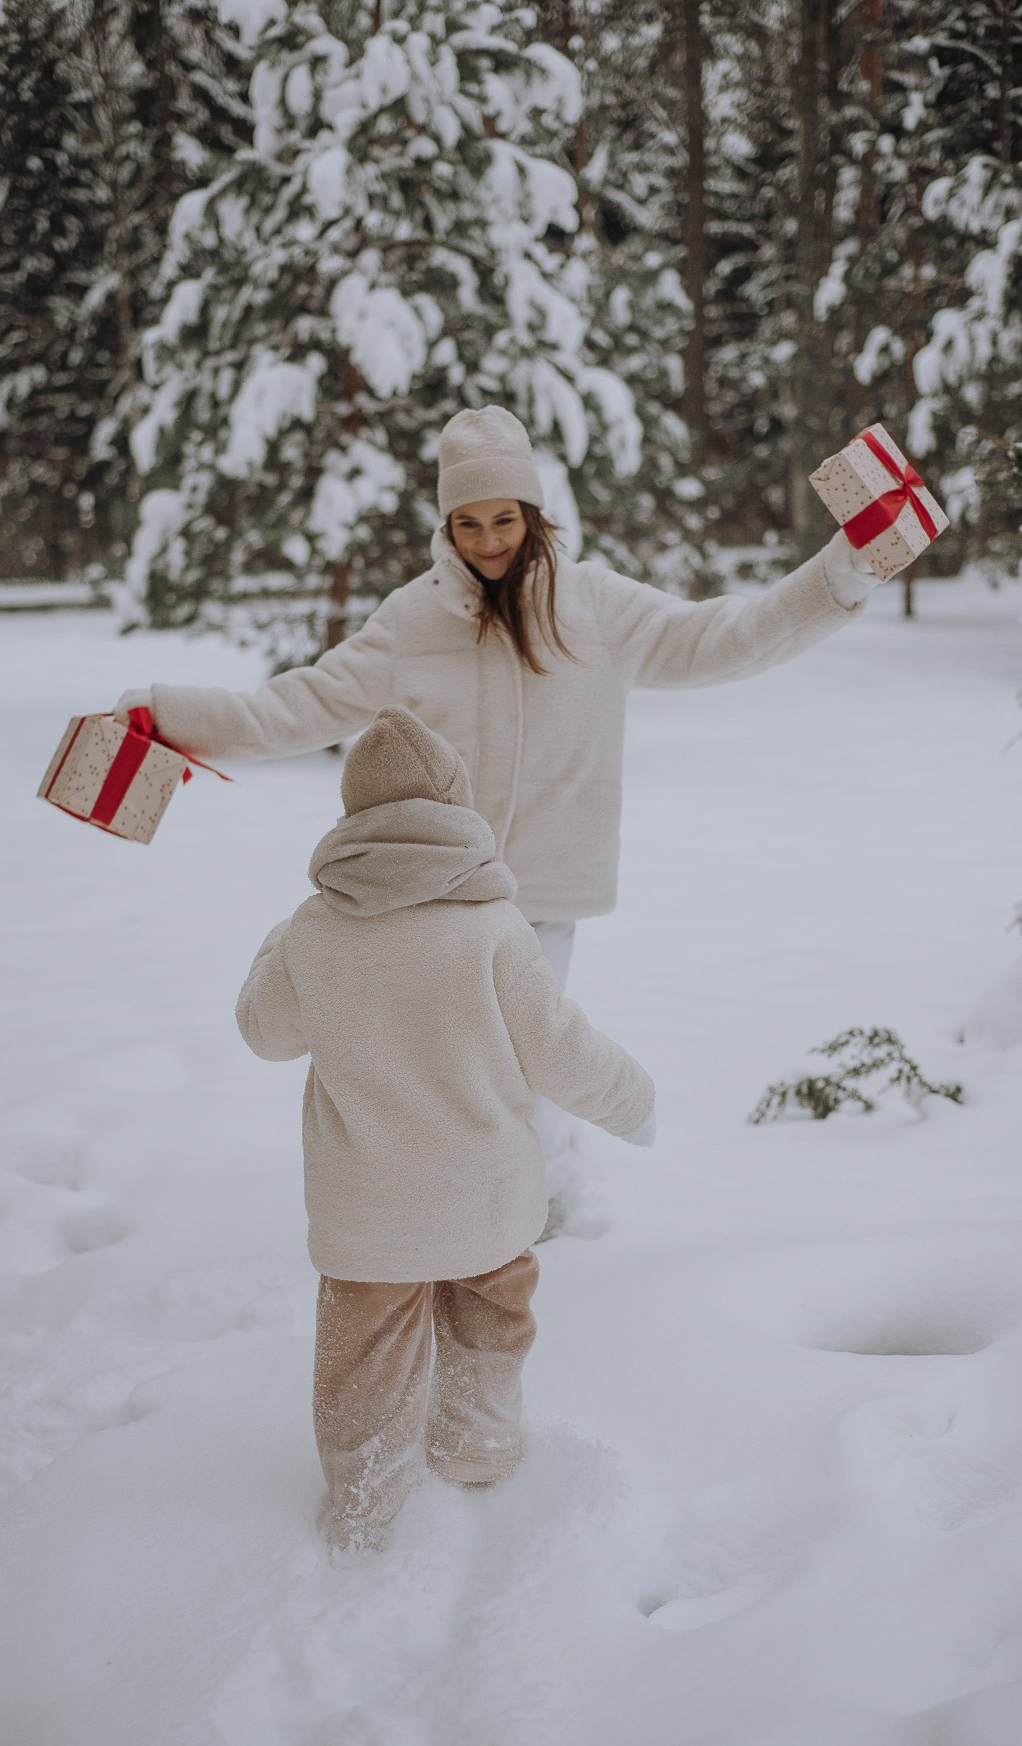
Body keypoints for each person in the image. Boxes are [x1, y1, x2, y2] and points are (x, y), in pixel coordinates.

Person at [117, 405, 876, 1215]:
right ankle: (493, 1209)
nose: (487, 541)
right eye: (468, 522)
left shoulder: (596, 607)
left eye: (505, 519)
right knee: (469, 1072)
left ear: (534, 515)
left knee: (523, 1062)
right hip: (435, 899)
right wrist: (170, 716)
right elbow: (296, 707)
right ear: (446, 522)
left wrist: (840, 574)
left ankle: (528, 1220)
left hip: (543, 897)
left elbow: (727, 634)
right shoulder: (413, 620)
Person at [236, 706, 656, 1550]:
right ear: (459, 810)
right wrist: (632, 1101)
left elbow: (263, 1031)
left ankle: (366, 1500)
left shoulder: (315, 931)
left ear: (353, 817)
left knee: (364, 1368)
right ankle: (478, 1445)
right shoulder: (494, 930)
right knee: (490, 1325)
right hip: (486, 1203)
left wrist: (277, 946)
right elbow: (560, 1048)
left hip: (369, 1218)